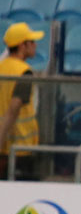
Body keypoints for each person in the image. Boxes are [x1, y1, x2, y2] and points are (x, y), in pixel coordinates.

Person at [0, 22, 44, 180]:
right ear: (22, 45)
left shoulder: (1, 66)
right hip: (20, 149)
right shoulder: (24, 72)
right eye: (31, 42)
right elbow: (13, 110)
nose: (35, 45)